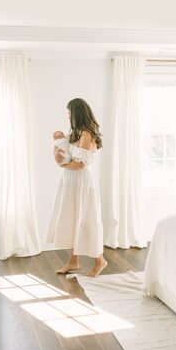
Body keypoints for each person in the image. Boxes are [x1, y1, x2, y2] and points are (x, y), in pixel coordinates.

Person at [47, 98, 108, 277]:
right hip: (71, 180)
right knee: (74, 218)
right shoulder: (75, 133)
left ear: (76, 113)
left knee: (87, 219)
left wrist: (62, 165)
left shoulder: (87, 134)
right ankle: (74, 261)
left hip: (82, 182)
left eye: (69, 113)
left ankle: (100, 261)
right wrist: (56, 153)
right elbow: (63, 151)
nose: (67, 116)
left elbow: (80, 164)